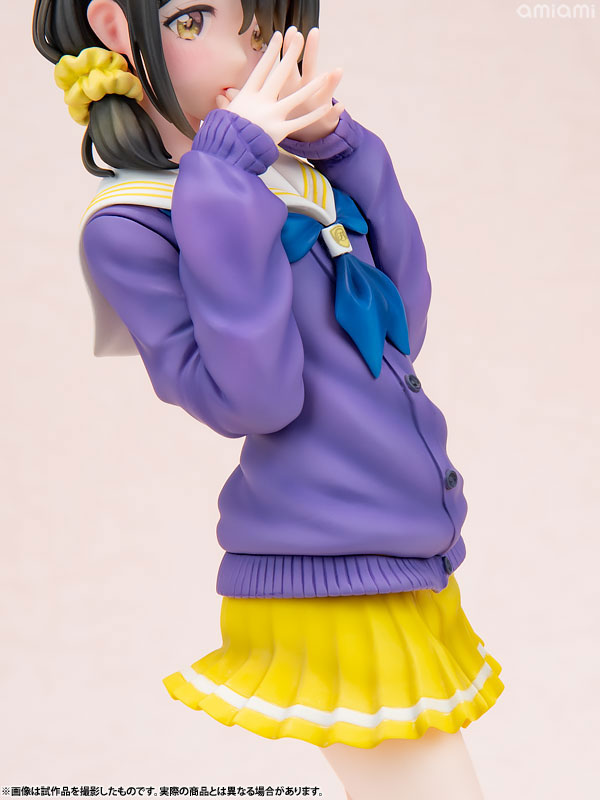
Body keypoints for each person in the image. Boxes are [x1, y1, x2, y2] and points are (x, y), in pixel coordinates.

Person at [33, 1, 505, 796]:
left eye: (258, 27)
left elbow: (402, 328)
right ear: (116, 28)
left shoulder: (295, 178)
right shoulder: (132, 221)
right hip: (324, 569)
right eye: (195, 22)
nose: (243, 53)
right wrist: (221, 180)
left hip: (399, 547)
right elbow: (255, 397)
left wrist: (343, 148)